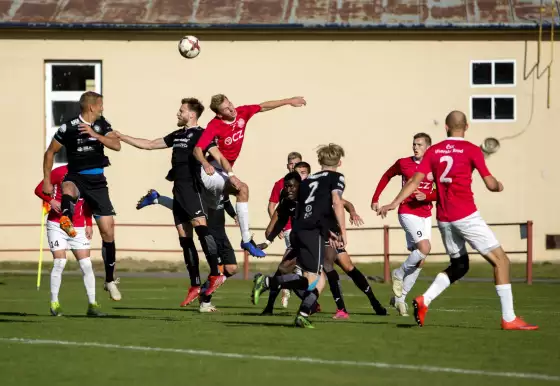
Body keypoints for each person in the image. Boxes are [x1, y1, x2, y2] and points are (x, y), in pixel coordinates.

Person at [377, 111, 538, 330]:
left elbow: (415, 180)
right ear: (467, 127)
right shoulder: (471, 150)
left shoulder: (434, 151)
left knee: (460, 266)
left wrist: (394, 202)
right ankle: (509, 318)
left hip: (444, 219)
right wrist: (499, 185)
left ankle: (425, 300)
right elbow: (491, 184)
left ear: (445, 127)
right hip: (466, 215)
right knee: (502, 261)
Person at [115, 97, 227, 304]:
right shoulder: (177, 135)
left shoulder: (201, 134)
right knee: (184, 237)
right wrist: (121, 136)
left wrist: (230, 173)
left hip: (193, 188)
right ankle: (195, 284)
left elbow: (216, 154)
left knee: (200, 226)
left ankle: (215, 272)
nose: (178, 113)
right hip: (178, 189)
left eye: (181, 110)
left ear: (191, 114)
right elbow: (148, 144)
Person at [193, 94, 307, 257]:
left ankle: (158, 198)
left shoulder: (241, 113)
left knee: (198, 211)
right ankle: (246, 239)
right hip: (211, 171)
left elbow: (263, 106)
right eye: (226, 108)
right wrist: (205, 163)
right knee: (242, 189)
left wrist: (288, 101)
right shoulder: (214, 125)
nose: (231, 108)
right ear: (219, 114)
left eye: (230, 103)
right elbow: (197, 149)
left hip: (223, 172)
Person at [252, 144, 347, 328]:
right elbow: (336, 202)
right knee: (316, 280)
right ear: (340, 162)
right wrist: (342, 231)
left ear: (319, 162)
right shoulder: (336, 178)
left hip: (299, 230)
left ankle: (302, 313)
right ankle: (268, 282)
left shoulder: (310, 181)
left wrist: (269, 238)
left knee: (309, 278)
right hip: (312, 232)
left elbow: (303, 207)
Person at [42, 91, 122, 301]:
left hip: (97, 183)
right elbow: (50, 152)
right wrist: (48, 180)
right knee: (68, 186)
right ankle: (66, 218)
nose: (102, 108)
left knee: (108, 232)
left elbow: (116, 145)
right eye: (101, 105)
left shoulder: (102, 124)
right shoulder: (67, 127)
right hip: (76, 177)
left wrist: (96, 135)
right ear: (91, 107)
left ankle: (110, 280)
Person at [135, 189, 239, 313]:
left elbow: (226, 201)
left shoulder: (221, 180)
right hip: (210, 231)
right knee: (219, 269)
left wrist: (235, 215)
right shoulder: (203, 182)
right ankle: (205, 301)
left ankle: (157, 198)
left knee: (231, 268)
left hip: (221, 233)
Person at [371, 133, 436, 316]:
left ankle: (400, 299)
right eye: (414, 144)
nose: (415, 147)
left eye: (420, 145)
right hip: (407, 212)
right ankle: (398, 273)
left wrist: (428, 196)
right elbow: (387, 176)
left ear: (428, 147)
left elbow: (441, 191)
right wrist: (376, 198)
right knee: (425, 247)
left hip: (425, 215)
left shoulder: (434, 165)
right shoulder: (403, 163)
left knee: (421, 258)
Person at [35, 165, 105, 316]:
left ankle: (92, 305)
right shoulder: (59, 172)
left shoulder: (88, 174)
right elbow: (39, 189)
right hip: (56, 224)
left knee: (86, 265)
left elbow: (88, 202)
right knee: (60, 262)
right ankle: (54, 303)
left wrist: (88, 223)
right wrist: (50, 201)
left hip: (78, 227)